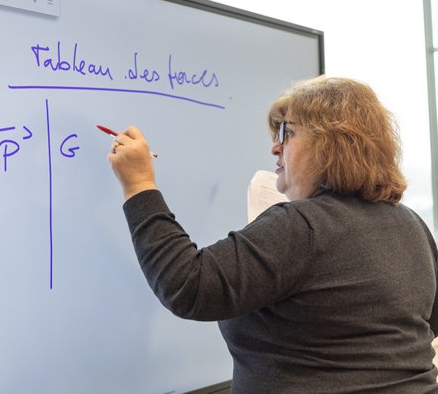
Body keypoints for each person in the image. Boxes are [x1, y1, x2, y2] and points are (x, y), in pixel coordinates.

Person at [106, 76, 438, 393]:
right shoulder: (410, 224)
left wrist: (139, 186)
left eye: (286, 133)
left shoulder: (302, 227)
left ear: (329, 143)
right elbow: (423, 326)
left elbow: (187, 285)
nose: (275, 148)